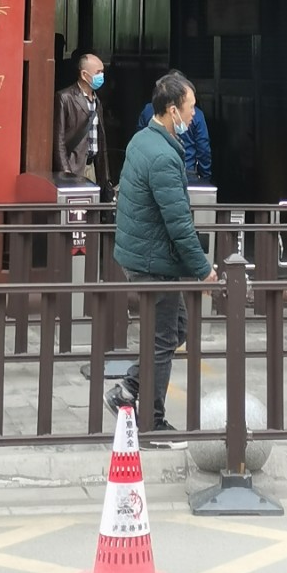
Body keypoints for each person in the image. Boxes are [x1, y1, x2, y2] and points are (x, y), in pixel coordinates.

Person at [108, 70, 217, 431]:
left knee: (176, 328)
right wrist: (203, 270)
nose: (193, 115)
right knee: (164, 337)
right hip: (154, 261)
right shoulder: (164, 158)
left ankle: (129, 388)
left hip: (143, 254)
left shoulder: (142, 140)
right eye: (190, 108)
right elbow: (179, 224)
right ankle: (152, 420)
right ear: (172, 110)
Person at [54, 51, 109, 190]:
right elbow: (59, 140)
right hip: (74, 167)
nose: (101, 76)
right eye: (98, 72)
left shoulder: (97, 101)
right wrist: (65, 171)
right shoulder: (65, 98)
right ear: (84, 74)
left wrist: (105, 176)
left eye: (102, 72)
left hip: (92, 166)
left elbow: (101, 140)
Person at [138, 95, 212, 183]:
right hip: (187, 172)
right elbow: (203, 150)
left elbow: (141, 142)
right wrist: (205, 178)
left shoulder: (148, 110)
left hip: (151, 171)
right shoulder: (197, 115)